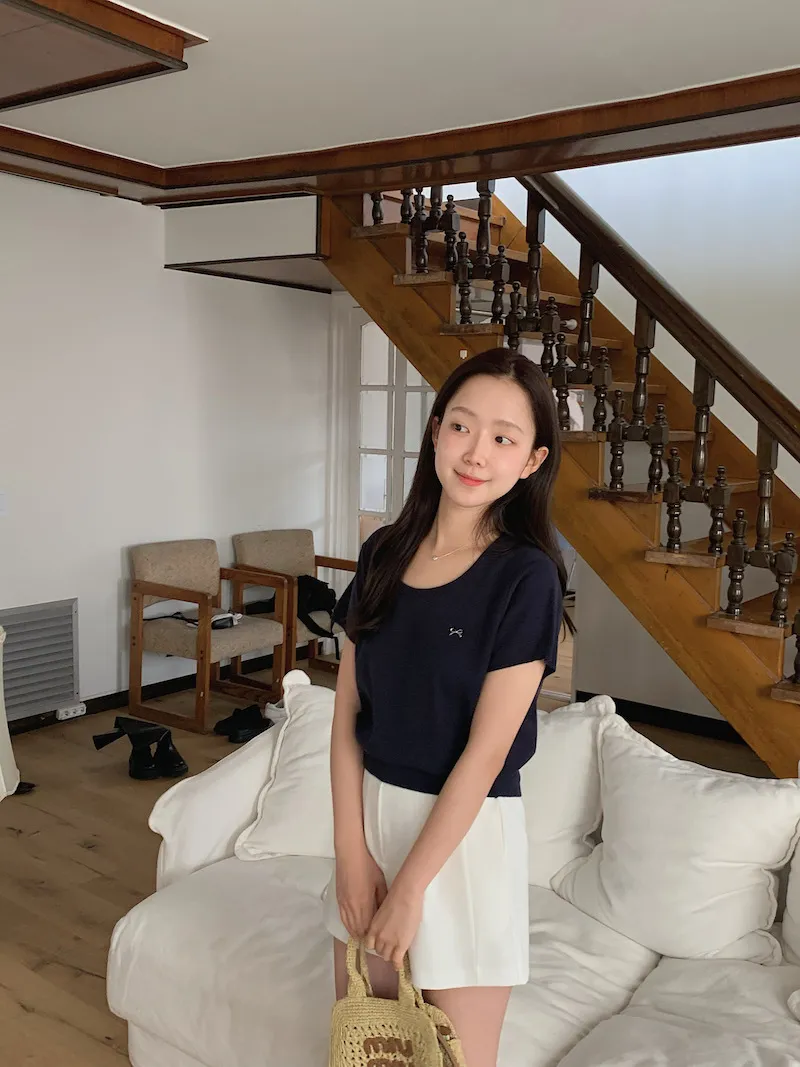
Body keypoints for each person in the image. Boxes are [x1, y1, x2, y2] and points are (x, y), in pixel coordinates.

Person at [323, 347, 571, 1067]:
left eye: (504, 438)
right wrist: (350, 855)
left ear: (532, 461)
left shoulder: (527, 577)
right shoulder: (382, 552)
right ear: (435, 431)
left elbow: (486, 754)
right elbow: (345, 718)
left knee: (454, 1057)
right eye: (461, 426)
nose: (476, 452)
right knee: (366, 1048)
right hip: (373, 823)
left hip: (465, 844)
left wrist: (410, 889)